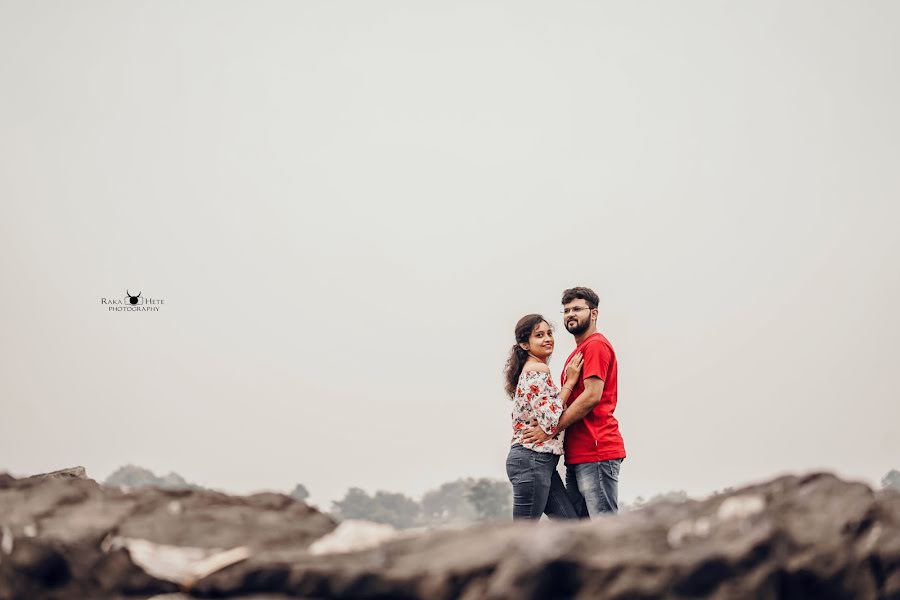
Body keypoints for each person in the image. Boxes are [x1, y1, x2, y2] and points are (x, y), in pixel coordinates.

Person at [522, 287, 626, 517]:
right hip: (578, 452)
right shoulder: (579, 351)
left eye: (577, 309)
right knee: (581, 531)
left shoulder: (596, 345)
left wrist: (550, 429)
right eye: (566, 310)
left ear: (594, 313)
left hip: (596, 449)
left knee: (603, 527)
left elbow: (591, 396)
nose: (570, 314)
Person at [504, 314, 583, 520]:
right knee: (524, 533)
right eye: (539, 335)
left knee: (570, 525)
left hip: (539, 461)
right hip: (531, 458)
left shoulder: (530, 370)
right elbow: (551, 418)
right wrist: (571, 381)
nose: (548, 338)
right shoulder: (537, 369)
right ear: (524, 344)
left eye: (549, 333)